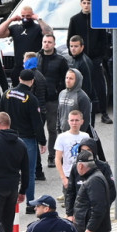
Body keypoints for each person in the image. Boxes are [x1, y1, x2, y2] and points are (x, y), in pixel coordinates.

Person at [0, 69, 46, 208]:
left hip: (7, 138)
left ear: (19, 78)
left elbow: (0, 116)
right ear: (32, 81)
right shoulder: (31, 99)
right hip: (27, 140)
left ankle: (9, 202)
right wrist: (42, 141)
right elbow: (37, 123)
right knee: (29, 173)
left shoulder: (6, 94)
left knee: (9, 172)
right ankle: (30, 203)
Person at [71, 151, 112, 232]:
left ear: (81, 166)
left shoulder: (94, 181)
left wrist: (90, 228)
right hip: (92, 230)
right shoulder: (94, 177)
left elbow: (99, 208)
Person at [0, 6, 53, 83]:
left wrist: (38, 19)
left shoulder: (38, 28)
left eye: (28, 16)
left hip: (33, 67)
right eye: (23, 16)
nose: (25, 18)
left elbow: (49, 33)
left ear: (32, 15)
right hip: (18, 67)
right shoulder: (15, 28)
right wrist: (10, 20)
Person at [37, 32, 69, 162]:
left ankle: (52, 156)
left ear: (54, 44)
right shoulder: (37, 57)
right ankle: (36, 157)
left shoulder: (60, 60)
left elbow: (65, 79)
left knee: (52, 128)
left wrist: (57, 91)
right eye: (45, 42)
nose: (46, 44)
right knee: (36, 128)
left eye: (49, 42)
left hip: (52, 99)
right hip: (37, 98)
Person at [67, 35, 103, 118]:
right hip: (76, 99)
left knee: (87, 129)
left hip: (85, 101)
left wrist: (81, 102)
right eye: (71, 46)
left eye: (76, 46)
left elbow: (88, 86)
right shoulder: (73, 59)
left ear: (82, 47)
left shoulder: (84, 62)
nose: (73, 48)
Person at [55, 110, 88, 195]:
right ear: (68, 121)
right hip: (68, 175)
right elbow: (58, 159)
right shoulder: (62, 137)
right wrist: (63, 178)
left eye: (77, 120)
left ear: (82, 122)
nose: (74, 123)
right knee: (69, 204)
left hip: (83, 175)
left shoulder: (85, 136)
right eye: (72, 120)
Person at [57, 68, 93, 140]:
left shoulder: (82, 97)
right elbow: (59, 113)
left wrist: (79, 136)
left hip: (76, 136)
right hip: (63, 133)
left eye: (71, 78)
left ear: (77, 81)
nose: (67, 80)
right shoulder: (62, 93)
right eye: (66, 78)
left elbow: (86, 119)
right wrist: (58, 130)